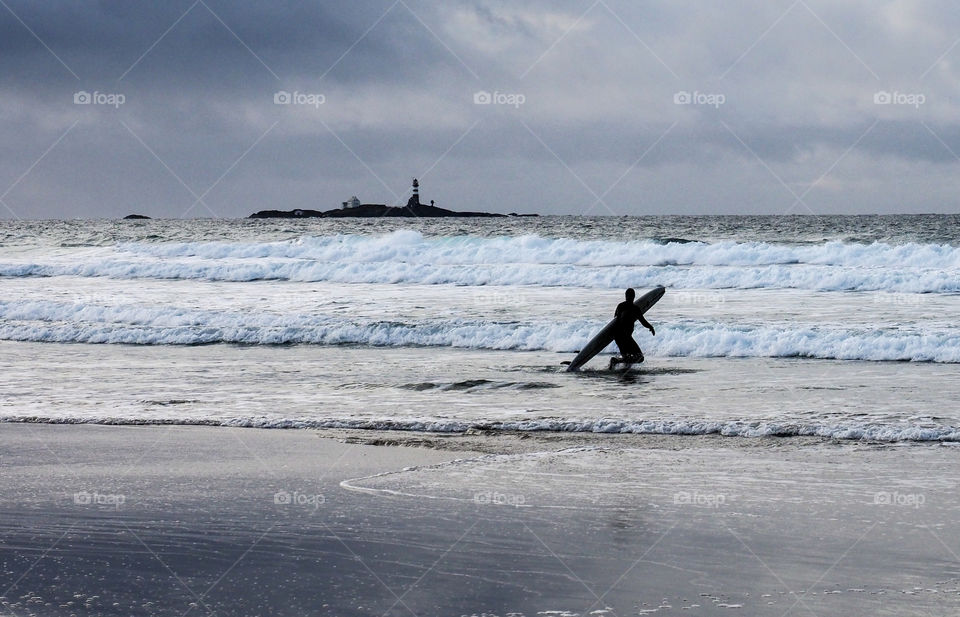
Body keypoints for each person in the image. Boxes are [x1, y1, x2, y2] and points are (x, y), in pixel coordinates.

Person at [612, 288, 655, 366]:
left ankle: (619, 365)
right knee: (639, 358)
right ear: (634, 296)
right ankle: (616, 361)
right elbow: (643, 321)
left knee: (627, 357)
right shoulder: (634, 308)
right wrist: (650, 327)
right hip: (624, 337)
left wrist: (650, 327)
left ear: (626, 296)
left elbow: (614, 320)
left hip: (619, 336)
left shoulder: (621, 306)